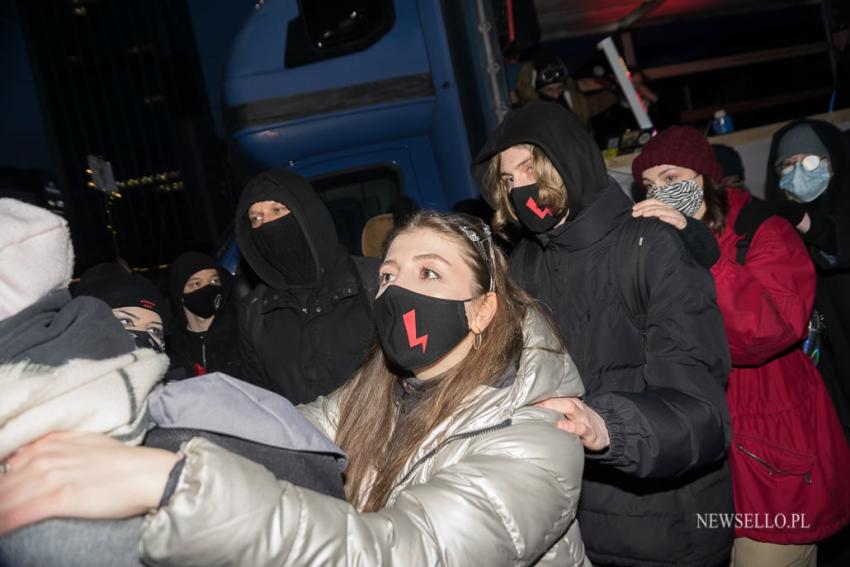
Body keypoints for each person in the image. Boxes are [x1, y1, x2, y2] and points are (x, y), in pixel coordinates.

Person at [0, 212, 590, 566]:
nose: (397, 292)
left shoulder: (538, 434)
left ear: (484, 309)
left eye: (428, 273)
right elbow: (282, 429)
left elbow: (406, 552)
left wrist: (177, 485)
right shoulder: (378, 389)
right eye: (387, 276)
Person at [476, 100, 733, 567]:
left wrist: (605, 426)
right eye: (508, 180)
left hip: (667, 531)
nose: (519, 191)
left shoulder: (649, 245)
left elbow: (703, 415)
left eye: (530, 170)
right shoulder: (523, 267)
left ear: (567, 161)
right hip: (570, 532)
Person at [632, 125, 850, 567]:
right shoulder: (656, 244)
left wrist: (709, 258)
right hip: (703, 463)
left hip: (772, 457)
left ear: (705, 177)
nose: (661, 191)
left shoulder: (762, 231)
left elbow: (766, 333)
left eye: (672, 179)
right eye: (651, 185)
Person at [235, 169, 380, 404]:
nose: (267, 224)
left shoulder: (374, 282)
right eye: (256, 219)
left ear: (307, 213)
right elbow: (261, 402)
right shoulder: (254, 312)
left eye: (277, 210)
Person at [763, 119, 850, 444]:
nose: (800, 171)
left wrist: (808, 223)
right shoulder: (776, 230)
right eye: (788, 164)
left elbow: (837, 240)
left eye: (812, 161)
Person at [165, 251, 242, 379]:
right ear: (179, 293)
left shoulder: (242, 331)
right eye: (196, 283)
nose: (208, 288)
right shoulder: (170, 346)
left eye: (214, 280)